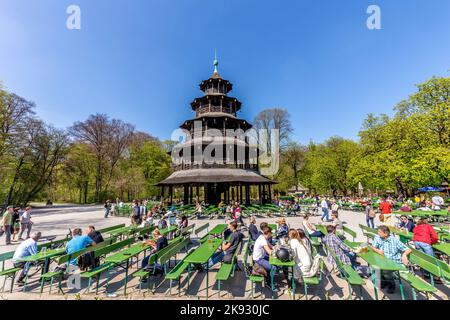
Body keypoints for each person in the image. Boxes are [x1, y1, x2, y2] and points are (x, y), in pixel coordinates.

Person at [371, 225, 412, 293]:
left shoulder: (394, 240)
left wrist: (404, 255)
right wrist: (378, 251)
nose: (378, 233)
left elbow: (408, 249)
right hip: (384, 259)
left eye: (380, 232)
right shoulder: (378, 237)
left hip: (394, 261)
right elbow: (373, 247)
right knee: (375, 266)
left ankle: (391, 284)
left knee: (385, 271)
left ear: (386, 234)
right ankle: (385, 281)